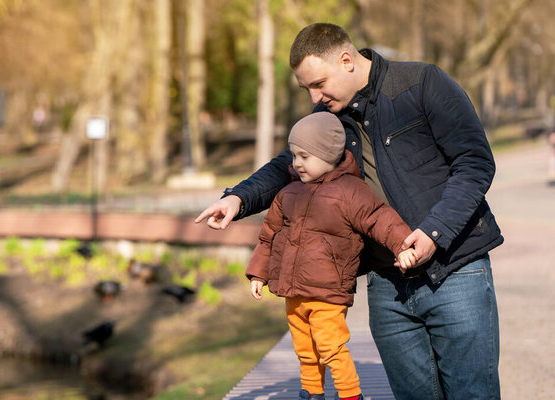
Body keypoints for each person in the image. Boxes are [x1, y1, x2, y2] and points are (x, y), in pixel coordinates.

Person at [196, 23, 504, 400]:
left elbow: (474, 163)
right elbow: (285, 166)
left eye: (319, 83)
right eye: (306, 88)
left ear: (346, 60)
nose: (314, 96)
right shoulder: (329, 119)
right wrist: (238, 199)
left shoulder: (422, 83)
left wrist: (434, 233)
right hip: (387, 285)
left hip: (456, 270)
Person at [247, 112, 417, 400]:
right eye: (294, 156)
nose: (296, 163)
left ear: (328, 155)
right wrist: (258, 273)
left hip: (327, 291)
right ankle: (312, 392)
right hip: (293, 291)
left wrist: (403, 246)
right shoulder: (287, 193)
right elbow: (269, 235)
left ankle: (350, 394)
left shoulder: (350, 191)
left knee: (331, 345)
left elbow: (380, 219)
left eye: (305, 156)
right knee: (304, 347)